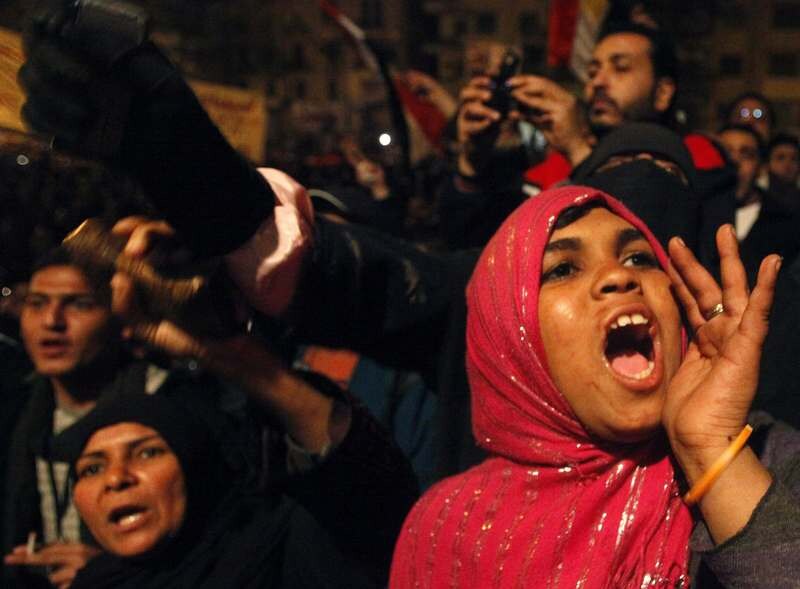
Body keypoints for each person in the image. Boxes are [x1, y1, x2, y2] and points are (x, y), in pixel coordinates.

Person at [389, 185, 800, 588]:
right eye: (563, 269)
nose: (619, 276)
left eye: (639, 258)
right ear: (509, 338)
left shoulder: (771, 460)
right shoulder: (448, 527)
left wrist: (712, 451)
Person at [27, 271, 419, 589]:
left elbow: (367, 492)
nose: (115, 479)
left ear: (199, 468)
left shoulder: (283, 552)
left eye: (147, 452)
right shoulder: (95, 583)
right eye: (92, 468)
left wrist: (239, 361)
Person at [440, 20, 731, 249]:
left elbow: (644, 242)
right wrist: (473, 163)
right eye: (592, 72)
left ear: (663, 92)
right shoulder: (550, 169)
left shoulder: (697, 156)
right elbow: (477, 251)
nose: (598, 83)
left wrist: (578, 149)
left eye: (620, 68)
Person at [717, 124, 800, 283]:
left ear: (761, 167)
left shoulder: (788, 224)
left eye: (746, 154)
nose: (734, 161)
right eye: (725, 153)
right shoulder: (695, 216)